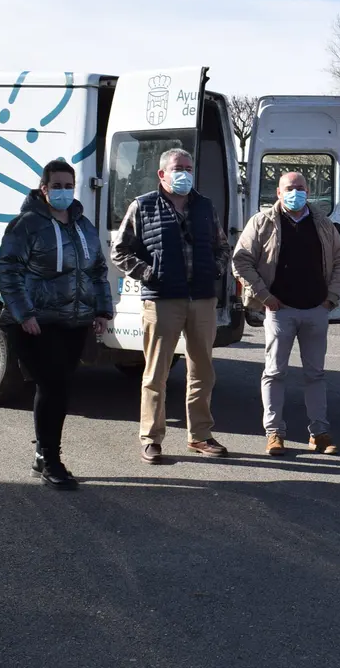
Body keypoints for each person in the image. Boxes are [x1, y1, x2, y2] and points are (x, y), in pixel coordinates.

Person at [112, 148, 232, 465]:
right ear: (162, 174)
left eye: (189, 168)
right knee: (156, 374)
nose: (185, 174)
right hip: (162, 300)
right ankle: (151, 438)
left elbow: (222, 246)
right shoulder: (143, 206)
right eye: (179, 168)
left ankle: (200, 435)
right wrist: (149, 273)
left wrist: (215, 269)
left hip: (202, 299)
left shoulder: (205, 206)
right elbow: (119, 251)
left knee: (202, 371)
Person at [0, 159, 113, 490]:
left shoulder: (83, 225)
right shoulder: (26, 225)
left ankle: (43, 454)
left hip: (74, 321)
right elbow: (8, 269)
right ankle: (50, 460)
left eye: (68, 186)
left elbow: (97, 270)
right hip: (37, 322)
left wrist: (102, 310)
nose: (63, 191)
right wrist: (24, 313)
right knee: (53, 386)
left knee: (58, 387)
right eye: (57, 186)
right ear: (44, 188)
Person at [232, 171, 340, 456]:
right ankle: (274, 433)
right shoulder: (261, 222)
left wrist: (331, 298)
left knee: (316, 375)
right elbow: (241, 261)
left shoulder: (322, 223)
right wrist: (265, 296)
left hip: (316, 310)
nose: (295, 193)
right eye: (289, 188)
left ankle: (319, 433)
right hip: (279, 310)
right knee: (274, 373)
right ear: (278, 192)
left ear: (308, 191)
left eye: (300, 188)